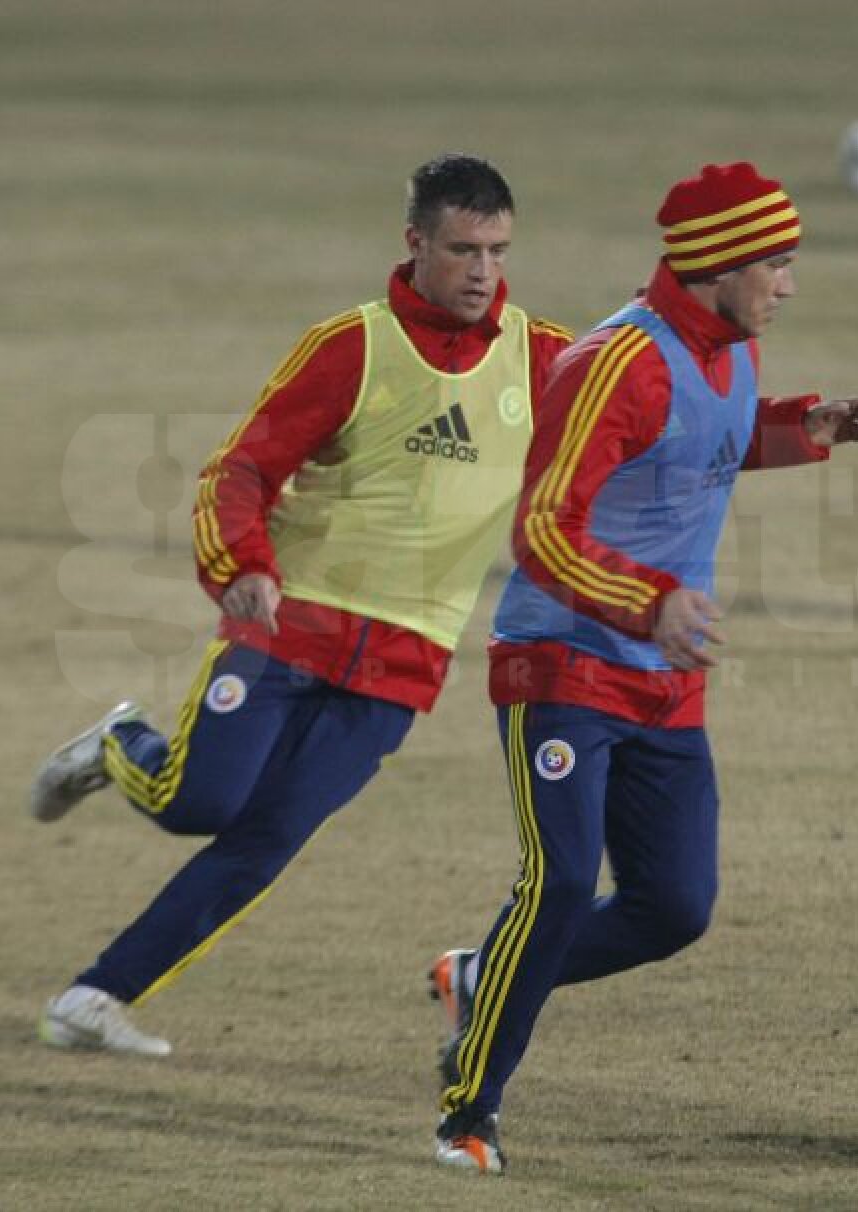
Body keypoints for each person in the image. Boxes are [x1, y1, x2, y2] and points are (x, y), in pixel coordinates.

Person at [29, 153, 572, 1057]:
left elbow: (656, 410)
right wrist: (241, 566)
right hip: (289, 624)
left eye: (498, 251)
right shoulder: (352, 346)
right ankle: (117, 743)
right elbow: (240, 470)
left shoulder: (543, 356)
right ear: (415, 242)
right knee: (198, 801)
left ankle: (93, 998)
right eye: (463, 249)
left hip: (404, 657)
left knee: (268, 839)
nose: (483, 271)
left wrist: (790, 430)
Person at [427, 160, 858, 1173]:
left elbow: (697, 444)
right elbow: (544, 529)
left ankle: (483, 975)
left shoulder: (732, 348)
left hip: (663, 675)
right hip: (561, 662)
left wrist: (798, 429)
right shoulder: (614, 363)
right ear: (719, 264)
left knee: (673, 907)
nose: (788, 284)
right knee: (558, 882)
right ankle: (468, 1111)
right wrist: (649, 599)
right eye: (775, 263)